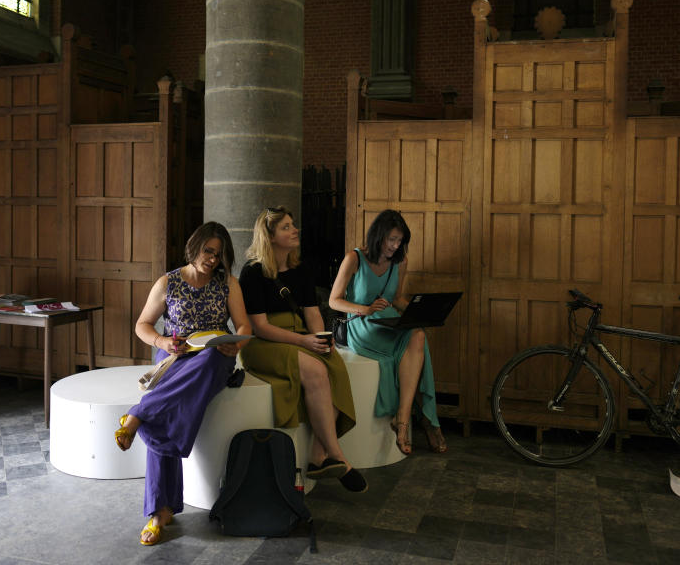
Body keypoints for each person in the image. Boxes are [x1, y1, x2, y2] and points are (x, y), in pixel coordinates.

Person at [114, 222, 252, 546]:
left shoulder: (228, 283)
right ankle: (160, 511)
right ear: (195, 246)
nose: (213, 259)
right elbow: (142, 325)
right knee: (164, 416)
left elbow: (244, 323)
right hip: (178, 360)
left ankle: (137, 414)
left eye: (219, 255)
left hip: (217, 358)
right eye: (208, 251)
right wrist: (162, 342)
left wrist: (238, 343)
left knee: (206, 359)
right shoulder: (168, 282)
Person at [238, 206, 367, 493]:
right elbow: (259, 327)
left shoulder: (301, 269)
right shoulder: (252, 272)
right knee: (316, 369)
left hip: (298, 335)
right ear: (269, 236)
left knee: (333, 365)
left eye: (292, 224)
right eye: (286, 227)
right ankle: (339, 457)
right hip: (264, 344)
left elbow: (312, 314)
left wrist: (321, 338)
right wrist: (304, 342)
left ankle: (318, 456)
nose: (294, 229)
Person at [329, 209, 447, 455]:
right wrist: (365, 308)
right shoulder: (355, 258)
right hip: (360, 323)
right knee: (416, 345)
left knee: (418, 334)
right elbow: (334, 301)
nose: (396, 245)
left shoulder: (400, 261)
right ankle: (426, 420)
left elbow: (395, 298)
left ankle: (402, 419)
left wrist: (419, 311)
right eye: (391, 239)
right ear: (378, 236)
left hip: (388, 320)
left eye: (400, 240)